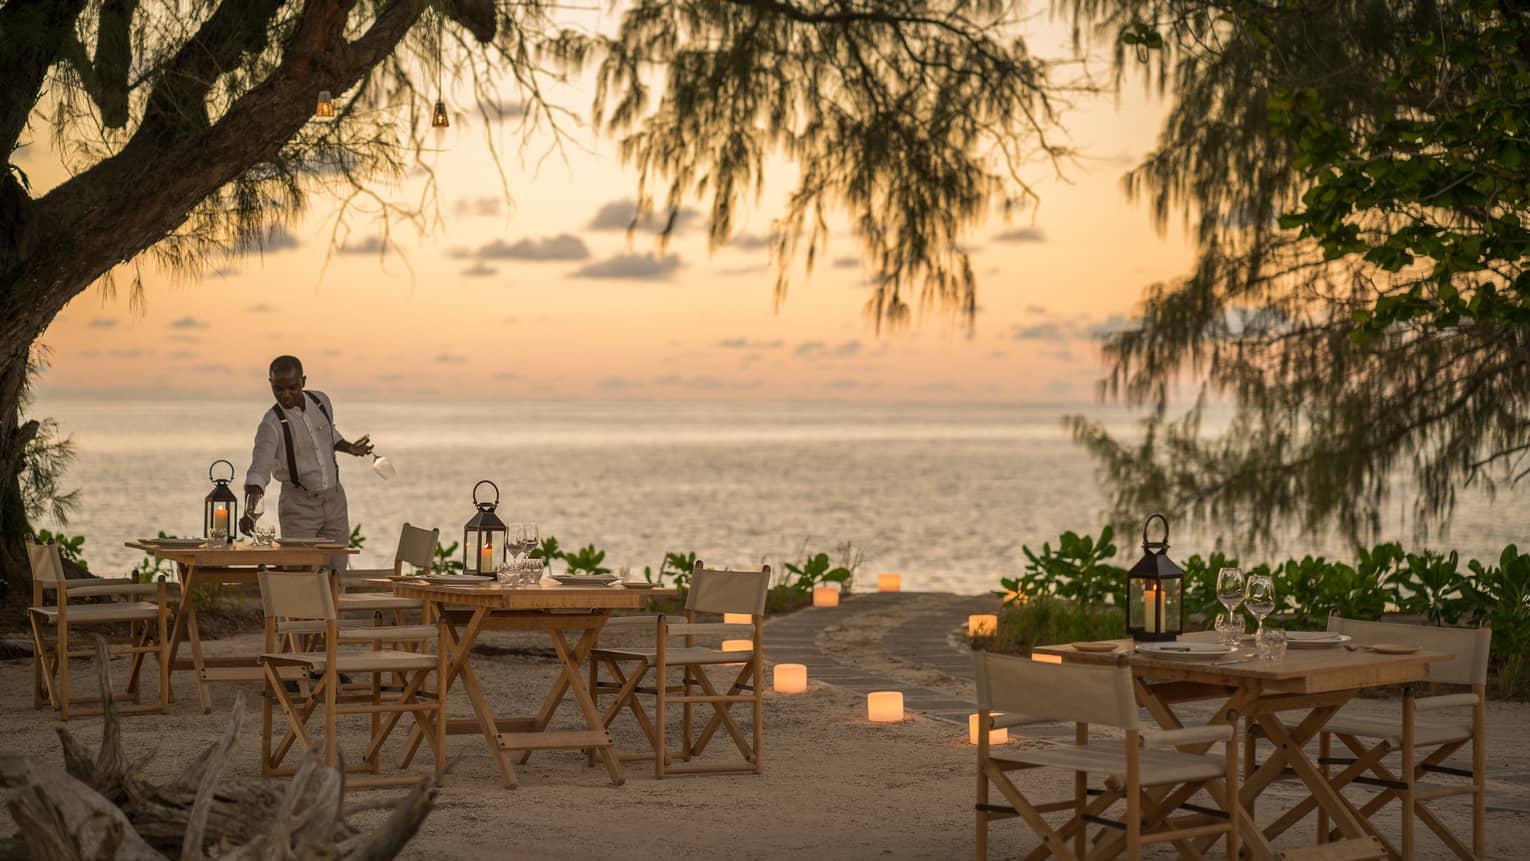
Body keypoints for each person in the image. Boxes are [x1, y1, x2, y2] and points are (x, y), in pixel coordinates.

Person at [240, 355, 372, 570]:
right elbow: (259, 470)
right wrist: (249, 511)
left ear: (303, 381)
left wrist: (350, 448)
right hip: (299, 507)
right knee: (301, 578)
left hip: (335, 501)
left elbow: (327, 434)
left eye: (292, 387)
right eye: (278, 389)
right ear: (270, 384)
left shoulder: (321, 402)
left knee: (336, 573)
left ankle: (333, 603)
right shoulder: (270, 425)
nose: (286, 395)